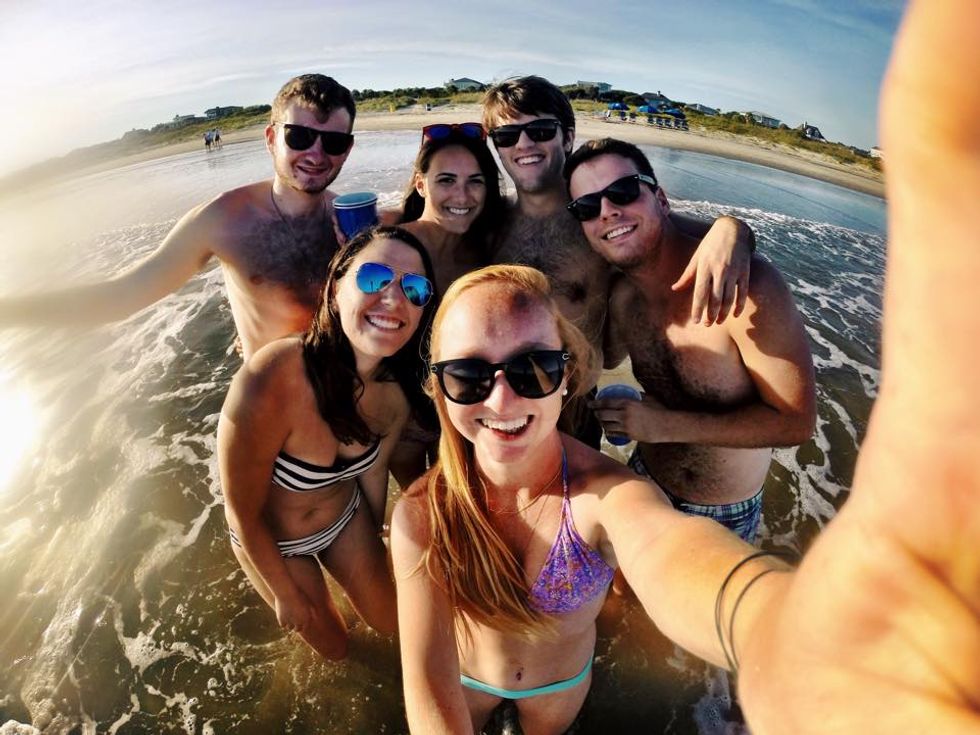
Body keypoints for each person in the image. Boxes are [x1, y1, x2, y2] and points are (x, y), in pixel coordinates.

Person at [391, 265, 790, 734]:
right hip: (465, 682)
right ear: (440, 389)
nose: (501, 401)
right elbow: (428, 680)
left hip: (557, 688)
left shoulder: (608, 494)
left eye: (533, 369)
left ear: (565, 375)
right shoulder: (422, 514)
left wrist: (774, 620)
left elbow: (668, 547)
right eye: (467, 376)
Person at [0, 74, 356, 361]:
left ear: (348, 150)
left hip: (345, 395)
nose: (316, 154)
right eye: (299, 136)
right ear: (271, 138)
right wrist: (11, 311)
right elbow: (122, 296)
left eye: (334, 143)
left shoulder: (354, 222)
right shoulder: (224, 219)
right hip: (269, 402)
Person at [481, 76, 756, 445]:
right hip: (495, 405)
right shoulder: (489, 223)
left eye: (541, 130)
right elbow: (427, 229)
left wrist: (733, 229)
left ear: (567, 137)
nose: (524, 144)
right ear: (496, 146)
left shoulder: (600, 218)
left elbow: (691, 232)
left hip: (573, 410)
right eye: (506, 136)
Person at [565, 138, 816, 541]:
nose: (607, 211)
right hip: (642, 483)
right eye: (587, 207)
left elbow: (796, 424)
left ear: (661, 199)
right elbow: (606, 359)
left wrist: (664, 425)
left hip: (721, 513)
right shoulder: (623, 298)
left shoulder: (745, 289)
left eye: (624, 191)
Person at [218, 225, 436, 660]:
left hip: (344, 521)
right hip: (272, 542)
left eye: (414, 289)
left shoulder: (395, 396)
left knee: (394, 625)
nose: (394, 299)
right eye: (374, 278)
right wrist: (284, 593)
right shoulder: (275, 374)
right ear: (336, 289)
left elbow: (373, 471)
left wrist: (376, 538)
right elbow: (241, 511)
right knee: (335, 649)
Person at [387, 122, 505, 485]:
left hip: (461, 406)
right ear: (421, 185)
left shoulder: (484, 251)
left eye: (476, 181)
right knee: (415, 500)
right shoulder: (388, 248)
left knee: (467, 496)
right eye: (446, 180)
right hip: (400, 412)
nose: (462, 196)